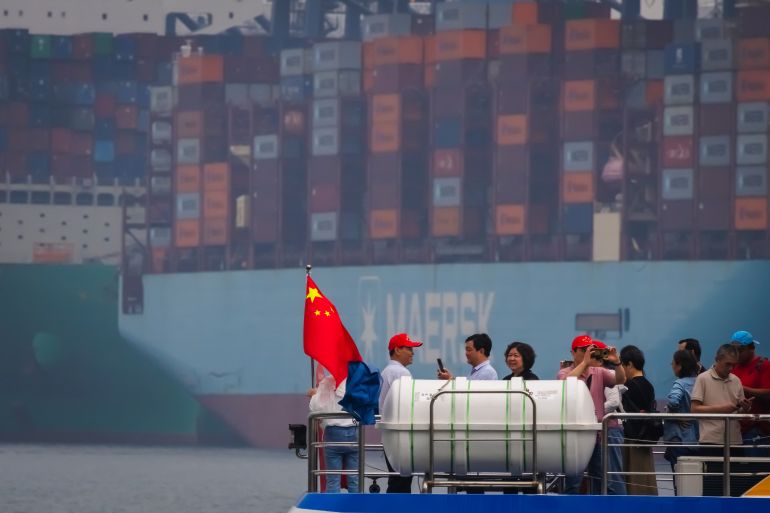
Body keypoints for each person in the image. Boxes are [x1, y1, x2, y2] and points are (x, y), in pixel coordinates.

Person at [557, 335, 626, 495]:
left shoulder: (599, 372)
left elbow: (621, 379)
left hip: (597, 434)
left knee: (603, 481)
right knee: (573, 483)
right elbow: (565, 384)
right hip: (575, 435)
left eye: (591, 350)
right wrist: (585, 363)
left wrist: (617, 362)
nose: (588, 353)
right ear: (573, 352)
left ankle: (601, 507)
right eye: (583, 350)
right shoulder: (565, 372)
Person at [379, 332, 423, 493]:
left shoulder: (387, 371)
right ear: (397, 350)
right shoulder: (401, 373)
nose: (412, 353)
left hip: (390, 433)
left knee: (396, 480)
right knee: (402, 481)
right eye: (409, 349)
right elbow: (408, 404)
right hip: (400, 434)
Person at [691, 344, 753, 456]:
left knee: (736, 468)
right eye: (728, 364)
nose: (731, 368)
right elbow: (694, 409)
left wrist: (745, 408)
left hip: (735, 440)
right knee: (713, 468)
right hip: (710, 440)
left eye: (734, 365)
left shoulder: (736, 380)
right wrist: (722, 409)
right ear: (717, 359)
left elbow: (739, 414)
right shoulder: (703, 378)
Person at [308, 376, 359, 493]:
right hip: (354, 432)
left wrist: (314, 395)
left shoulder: (328, 381)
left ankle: (332, 503)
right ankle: (356, 503)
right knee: (354, 478)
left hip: (333, 433)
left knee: (333, 479)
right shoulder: (356, 380)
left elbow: (315, 407)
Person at [619, 345, 658, 496]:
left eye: (622, 365)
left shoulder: (628, 386)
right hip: (645, 437)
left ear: (629, 364)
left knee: (632, 475)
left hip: (631, 437)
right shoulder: (649, 385)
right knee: (645, 473)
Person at [729, 330, 770, 456]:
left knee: (755, 466)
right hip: (736, 429)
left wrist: (742, 388)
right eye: (734, 350)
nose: (736, 353)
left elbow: (768, 394)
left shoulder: (764, 365)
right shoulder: (733, 366)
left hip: (757, 429)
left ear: (751, 348)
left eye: (740, 350)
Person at [663, 349, 699, 475]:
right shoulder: (699, 382)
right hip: (697, 439)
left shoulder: (680, 383)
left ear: (679, 366)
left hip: (680, 439)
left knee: (679, 479)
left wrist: (678, 416)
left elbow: (673, 401)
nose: (671, 365)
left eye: (673, 363)